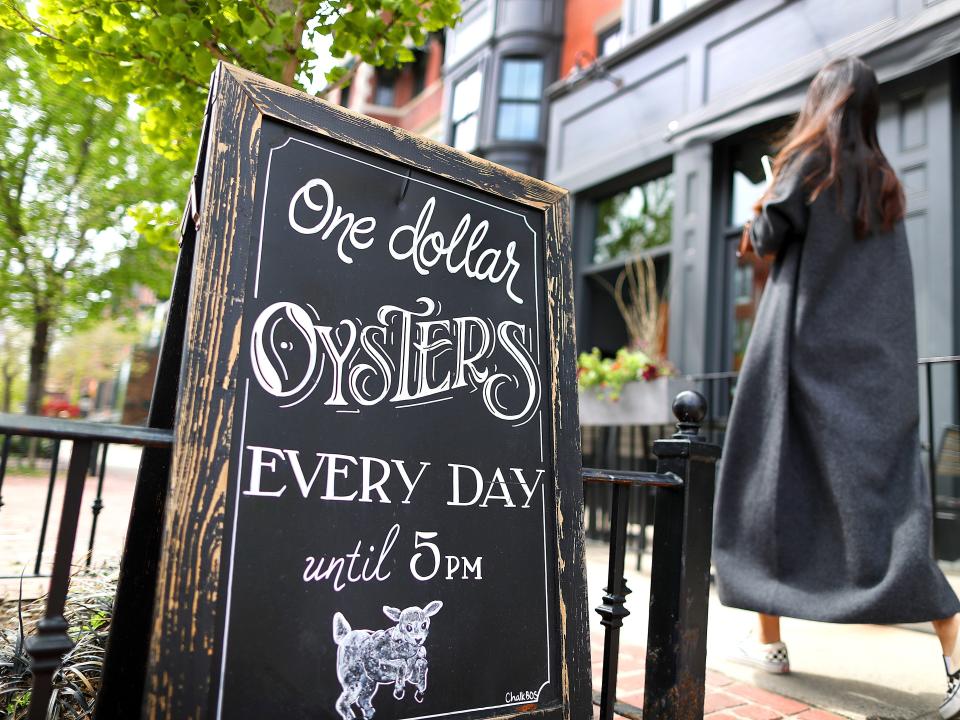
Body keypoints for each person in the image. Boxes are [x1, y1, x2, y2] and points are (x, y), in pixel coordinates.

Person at [712, 56, 960, 720]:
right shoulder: (882, 181)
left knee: (770, 491)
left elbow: (765, 240)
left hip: (795, 357)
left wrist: (762, 204)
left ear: (821, 102)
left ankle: (770, 648)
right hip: (870, 367)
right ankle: (956, 664)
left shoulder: (807, 166)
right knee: (888, 510)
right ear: (870, 109)